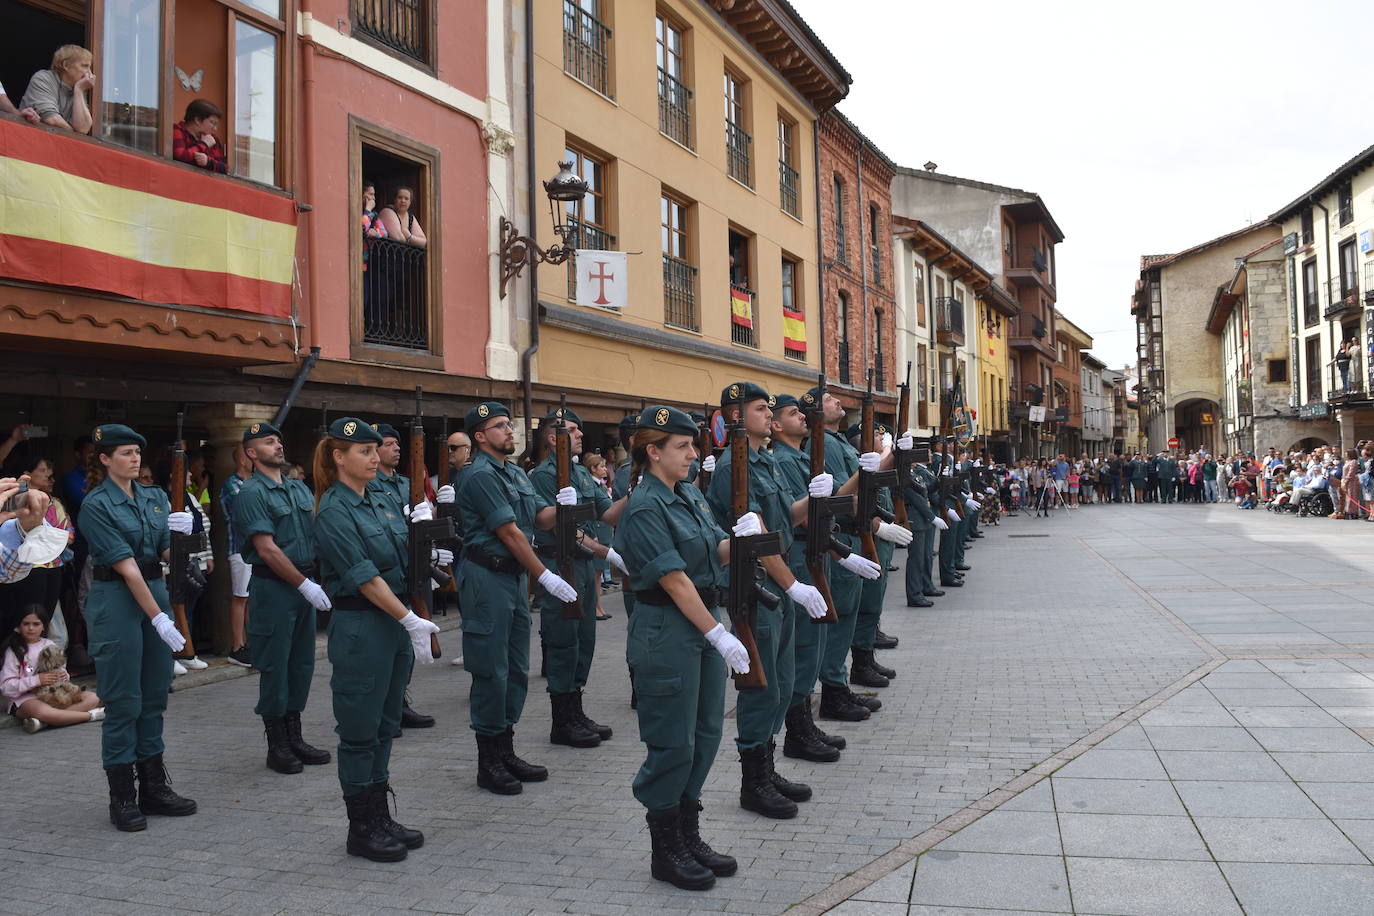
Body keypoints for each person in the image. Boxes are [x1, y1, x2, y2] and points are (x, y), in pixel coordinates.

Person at [612, 404, 753, 890]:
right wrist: (717, 633)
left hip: (700, 622)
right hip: (668, 631)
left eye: (693, 445)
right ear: (652, 452)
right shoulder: (645, 506)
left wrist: (747, 537)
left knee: (707, 732)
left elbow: (716, 549)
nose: (694, 454)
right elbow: (673, 580)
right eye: (683, 447)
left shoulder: (687, 495)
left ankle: (689, 832)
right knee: (673, 741)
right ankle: (665, 847)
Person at [311, 417, 437, 861]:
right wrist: (410, 619)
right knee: (360, 730)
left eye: (372, 449)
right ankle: (361, 827)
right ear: (338, 457)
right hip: (363, 626)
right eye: (363, 451)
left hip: (391, 623)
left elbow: (401, 563)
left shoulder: (379, 501)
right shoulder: (333, 510)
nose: (372, 456)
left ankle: (380, 814)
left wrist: (428, 533)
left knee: (386, 724)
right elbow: (364, 578)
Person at [704, 384, 833, 819]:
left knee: (780, 679)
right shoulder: (730, 469)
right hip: (754, 586)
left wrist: (813, 500)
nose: (769, 414)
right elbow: (756, 536)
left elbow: (780, 521)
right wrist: (794, 585)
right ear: (736, 417)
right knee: (760, 686)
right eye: (760, 409)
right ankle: (752, 780)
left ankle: (768, 766)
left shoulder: (766, 461)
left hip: (777, 583)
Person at [77, 424, 198, 832]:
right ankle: (122, 797)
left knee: (153, 696)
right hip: (118, 601)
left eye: (137, 452)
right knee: (123, 701)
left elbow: (162, 547)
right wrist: (159, 618)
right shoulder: (95, 505)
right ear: (105, 459)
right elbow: (126, 566)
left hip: (155, 591)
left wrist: (183, 540)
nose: (135, 459)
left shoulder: (156, 496)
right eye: (126, 453)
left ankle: (154, 788)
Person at [456, 401, 572, 795]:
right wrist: (544, 575)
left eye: (510, 424)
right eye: (500, 426)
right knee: (492, 669)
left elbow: (537, 519)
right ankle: (488, 761)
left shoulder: (514, 473)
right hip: (487, 577)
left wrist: (561, 507)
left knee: (517, 668)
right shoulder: (479, 476)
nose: (510, 430)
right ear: (479, 435)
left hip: (512, 579)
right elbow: (509, 533)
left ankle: (505, 749)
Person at [767, 394, 879, 764]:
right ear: (776, 425)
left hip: (818, 548)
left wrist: (863, 476)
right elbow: (796, 517)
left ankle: (804, 721)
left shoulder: (799, 456)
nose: (803, 416)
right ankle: (797, 728)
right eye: (793, 413)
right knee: (803, 644)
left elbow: (828, 505)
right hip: (800, 553)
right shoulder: (782, 461)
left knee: (814, 640)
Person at [234, 422, 333, 774]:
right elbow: (267, 549)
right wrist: (304, 585)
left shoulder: (297, 489)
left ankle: (295, 736)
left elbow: (319, 532)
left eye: (278, 439)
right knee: (276, 666)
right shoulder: (251, 493)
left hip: (305, 581)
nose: (277, 445)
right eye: (267, 441)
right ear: (250, 452)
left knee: (301, 663)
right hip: (275, 588)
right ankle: (277, 744)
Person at [527, 407, 626, 749]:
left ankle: (576, 710)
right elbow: (550, 523)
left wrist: (636, 491)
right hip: (560, 563)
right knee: (563, 641)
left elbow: (607, 513)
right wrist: (602, 550)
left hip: (583, 567)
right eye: (572, 430)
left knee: (585, 641)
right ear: (554, 439)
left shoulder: (583, 475)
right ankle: (562, 720)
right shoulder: (542, 476)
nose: (581, 435)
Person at [366, 423, 436, 730]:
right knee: (384, 648)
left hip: (411, 569)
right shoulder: (369, 484)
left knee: (406, 647)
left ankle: (399, 702)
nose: (396, 448)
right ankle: (382, 708)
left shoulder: (409, 483)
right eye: (388, 444)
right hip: (384, 574)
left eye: (397, 444)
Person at [3, 606, 103, 732]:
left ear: (44, 626)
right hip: (25, 699)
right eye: (26, 624)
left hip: (56, 694)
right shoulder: (14, 650)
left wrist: (62, 676)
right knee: (43, 711)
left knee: (93, 698)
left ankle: (45, 722)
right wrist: (37, 680)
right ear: (19, 626)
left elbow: (62, 670)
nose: (31, 628)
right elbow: (6, 687)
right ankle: (92, 715)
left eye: (36, 624)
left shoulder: (49, 645)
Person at [0, 454, 73, 619]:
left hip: (51, 565)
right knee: (22, 617)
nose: (48, 475)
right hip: (35, 569)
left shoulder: (54, 503)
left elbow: (6, 570)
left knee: (43, 617)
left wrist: (26, 528)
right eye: (42, 470)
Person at [221, 444, 253, 667]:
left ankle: (250, 644)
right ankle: (237, 647)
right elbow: (248, 510)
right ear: (243, 460)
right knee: (240, 597)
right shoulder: (232, 485)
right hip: (240, 549)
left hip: (254, 551)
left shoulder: (252, 484)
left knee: (250, 598)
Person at [20, 44, 94, 134]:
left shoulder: (79, 87)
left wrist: (79, 90)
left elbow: (83, 129)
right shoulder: (43, 78)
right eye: (85, 66)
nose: (90, 73)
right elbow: (51, 119)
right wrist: (73, 135)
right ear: (66, 65)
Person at [172, 99, 226, 173]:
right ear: (197, 120)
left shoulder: (214, 139)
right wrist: (204, 144)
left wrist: (208, 162)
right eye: (212, 123)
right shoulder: (177, 130)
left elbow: (225, 169)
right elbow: (181, 156)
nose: (215, 129)